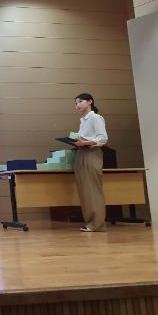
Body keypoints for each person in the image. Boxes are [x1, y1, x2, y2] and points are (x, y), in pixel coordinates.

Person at [72, 92, 108, 232]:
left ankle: (97, 224)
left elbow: (103, 138)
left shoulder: (95, 118)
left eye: (80, 102)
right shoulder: (83, 121)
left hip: (91, 153)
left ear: (90, 102)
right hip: (82, 153)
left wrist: (85, 142)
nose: (77, 105)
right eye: (76, 103)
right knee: (85, 190)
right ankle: (90, 222)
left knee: (93, 189)